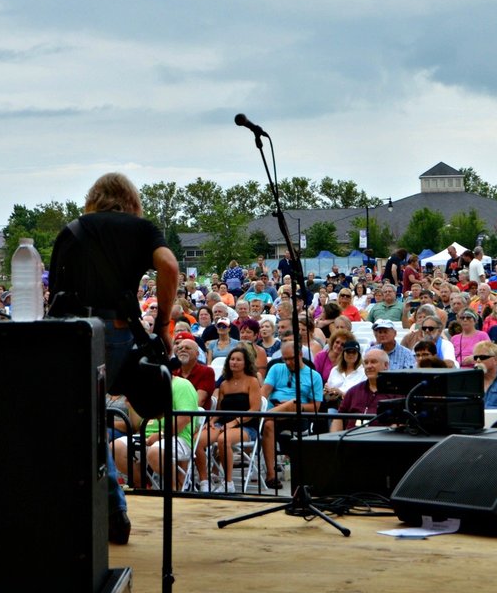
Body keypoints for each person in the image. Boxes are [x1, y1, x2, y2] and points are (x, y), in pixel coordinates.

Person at [48, 171, 180, 545]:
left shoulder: (73, 230)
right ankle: (110, 510)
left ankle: (109, 508)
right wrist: (165, 323)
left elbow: (54, 300)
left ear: (94, 198)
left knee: (78, 428)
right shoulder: (141, 230)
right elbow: (169, 266)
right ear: (131, 200)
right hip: (121, 336)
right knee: (93, 424)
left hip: (76, 338)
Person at [195, 345, 261, 493]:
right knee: (198, 440)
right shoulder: (224, 384)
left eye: (238, 360)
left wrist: (234, 422)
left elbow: (254, 409)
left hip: (246, 425)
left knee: (223, 440)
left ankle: (228, 482)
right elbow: (220, 409)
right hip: (223, 423)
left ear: (246, 363)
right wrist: (211, 421)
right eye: (232, 359)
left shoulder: (252, 381)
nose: (234, 362)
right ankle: (204, 480)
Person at [260, 340, 323, 488]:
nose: (288, 362)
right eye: (285, 358)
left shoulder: (314, 376)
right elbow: (264, 393)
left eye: (291, 358)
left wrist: (296, 406)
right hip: (274, 412)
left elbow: (316, 407)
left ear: (300, 354)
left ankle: (261, 418)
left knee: (292, 404)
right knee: (268, 424)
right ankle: (271, 474)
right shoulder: (276, 369)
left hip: (298, 415)